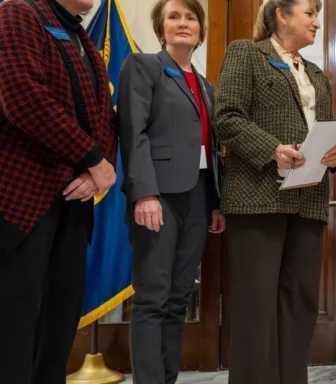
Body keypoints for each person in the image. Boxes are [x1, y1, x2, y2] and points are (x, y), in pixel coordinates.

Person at [213, 0, 336, 382]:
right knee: (256, 308)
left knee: (300, 304)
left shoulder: (317, 74)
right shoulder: (246, 53)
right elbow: (227, 118)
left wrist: (333, 154)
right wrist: (272, 149)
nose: (317, 22)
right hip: (257, 198)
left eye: (318, 15)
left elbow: (320, 136)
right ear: (282, 16)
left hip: (308, 200)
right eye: (310, 13)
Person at [0, 0, 118, 382]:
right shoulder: (16, 13)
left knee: (59, 325)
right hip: (22, 202)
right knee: (15, 331)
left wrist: (99, 166)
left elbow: (104, 115)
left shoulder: (80, 33)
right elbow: (21, 95)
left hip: (73, 203)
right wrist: (90, 157)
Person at [117, 0, 225, 382]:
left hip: (197, 196)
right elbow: (134, 132)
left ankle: (168, 377)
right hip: (158, 195)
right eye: (174, 17)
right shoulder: (144, 66)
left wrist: (215, 203)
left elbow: (210, 149)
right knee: (153, 297)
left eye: (191, 17)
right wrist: (144, 193)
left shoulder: (205, 84)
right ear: (161, 28)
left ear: (201, 29)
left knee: (179, 296)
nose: (184, 24)